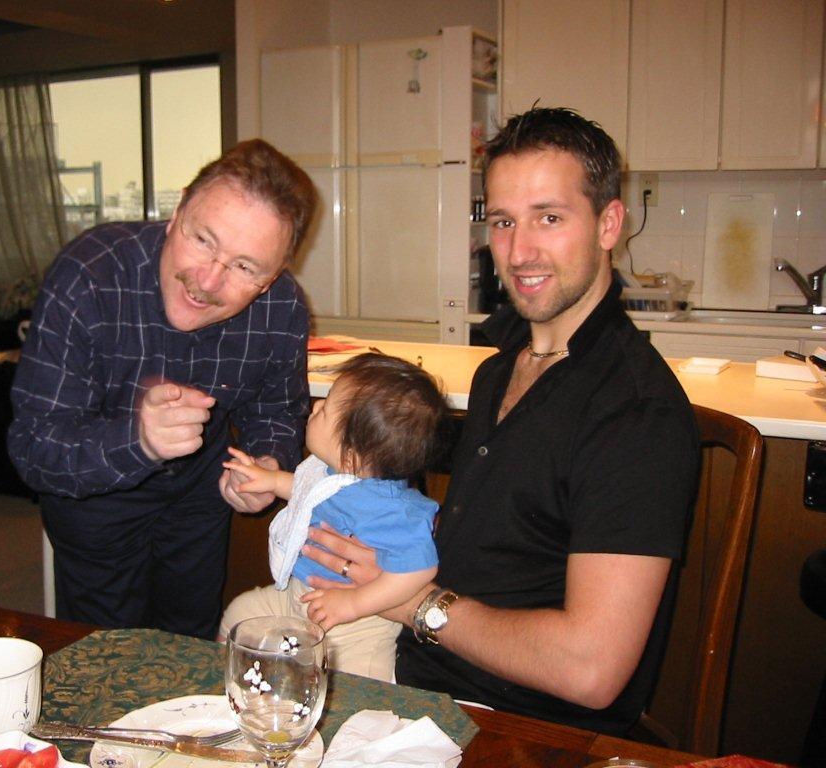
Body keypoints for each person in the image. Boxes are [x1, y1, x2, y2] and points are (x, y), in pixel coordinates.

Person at [300, 107, 700, 735]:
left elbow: (590, 670)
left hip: (525, 727)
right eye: (504, 222)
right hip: (415, 680)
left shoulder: (636, 414)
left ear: (608, 224)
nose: (519, 251)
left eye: (549, 217)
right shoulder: (499, 370)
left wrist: (412, 602)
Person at [7, 139, 317, 638]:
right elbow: (34, 450)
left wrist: (266, 461)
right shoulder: (90, 276)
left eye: (244, 267)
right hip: (94, 498)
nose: (207, 281)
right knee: (104, 651)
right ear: (177, 214)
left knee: (189, 643)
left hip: (199, 496)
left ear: (270, 278)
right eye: (203, 240)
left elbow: (276, 409)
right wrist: (139, 439)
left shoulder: (282, 307)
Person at [218, 352, 448, 681]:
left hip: (357, 626)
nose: (316, 407)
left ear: (350, 457)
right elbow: (310, 490)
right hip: (295, 596)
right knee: (240, 617)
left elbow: (420, 569)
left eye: (325, 409)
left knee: (356, 686)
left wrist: (354, 603)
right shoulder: (334, 472)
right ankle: (233, 691)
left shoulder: (393, 510)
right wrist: (270, 480)